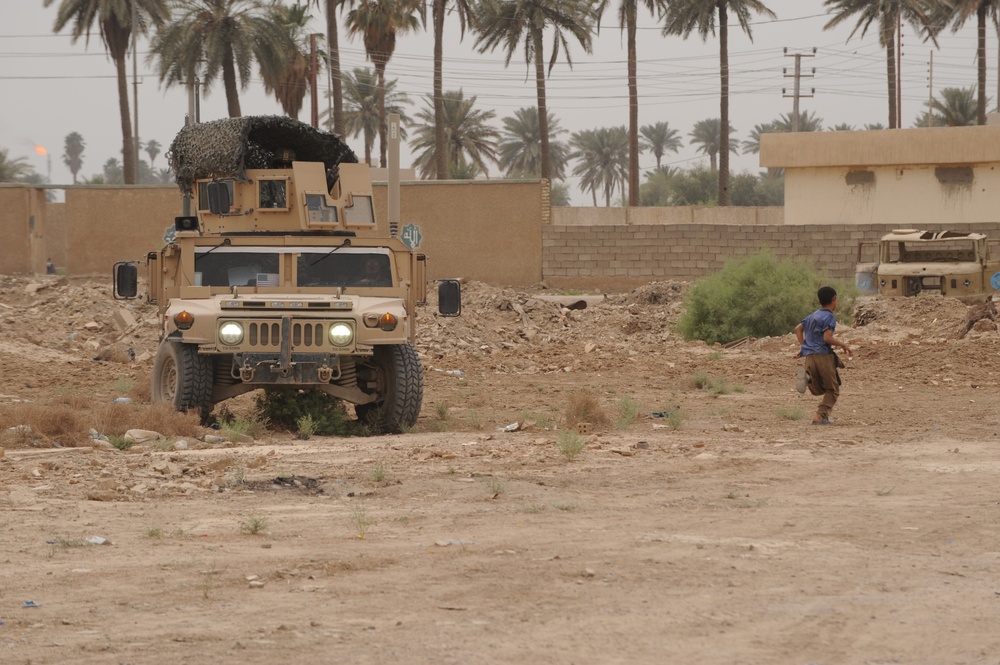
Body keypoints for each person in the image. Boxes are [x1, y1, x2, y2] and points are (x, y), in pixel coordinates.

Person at [794, 286, 853, 425]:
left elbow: (798, 328)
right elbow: (827, 338)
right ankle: (820, 416)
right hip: (823, 356)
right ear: (834, 299)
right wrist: (843, 345)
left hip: (809, 356)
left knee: (820, 387)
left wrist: (804, 345)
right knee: (833, 389)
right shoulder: (829, 317)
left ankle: (808, 377)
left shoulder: (812, 315)